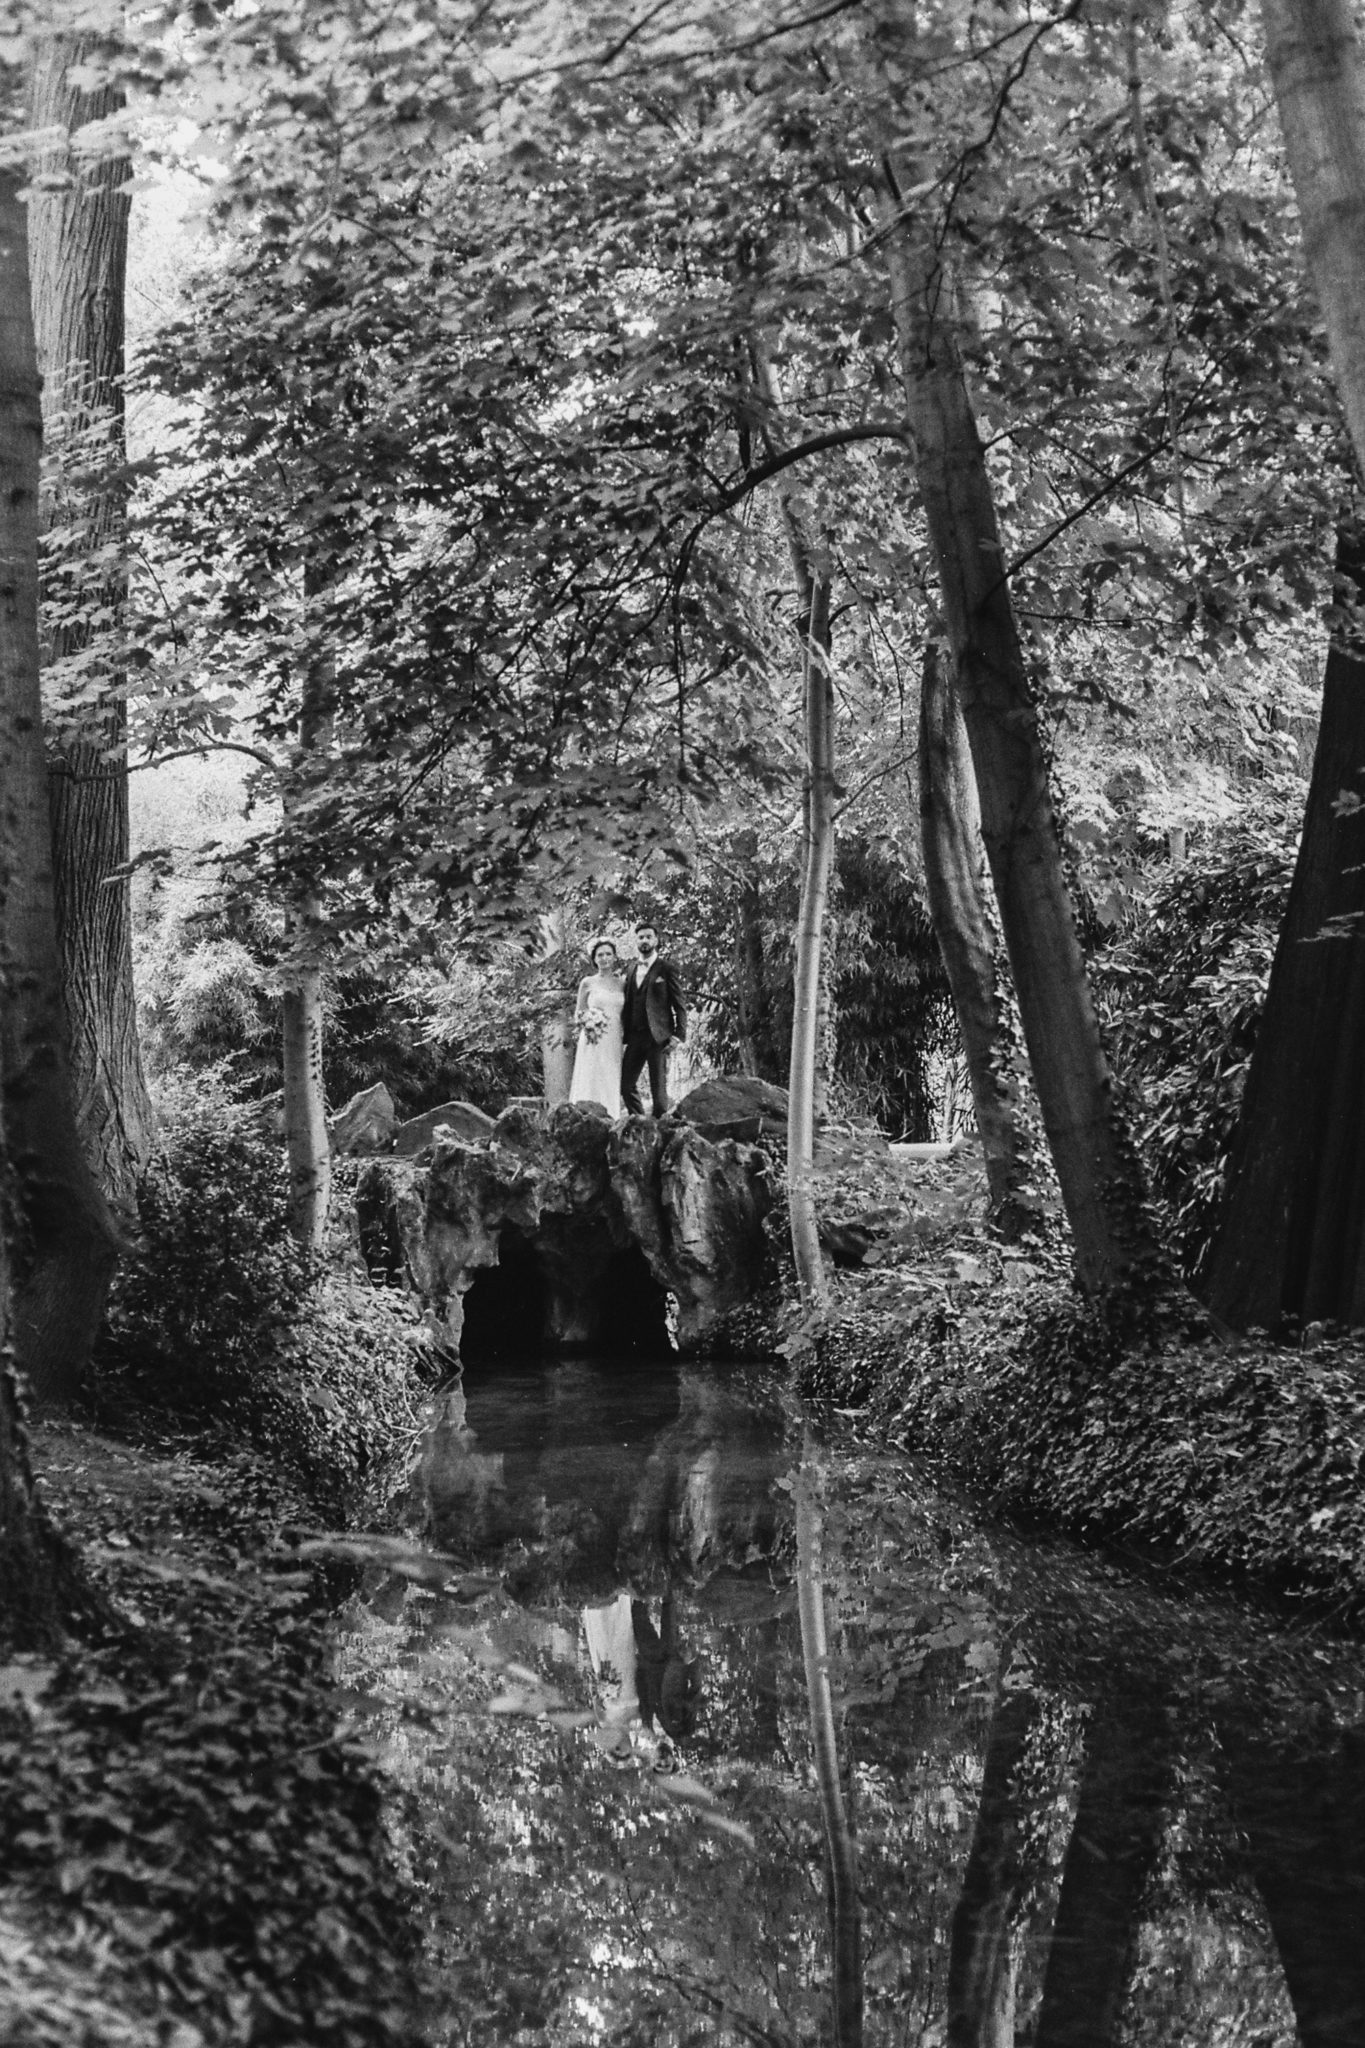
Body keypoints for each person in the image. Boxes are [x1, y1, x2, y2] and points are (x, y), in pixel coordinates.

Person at [620, 923, 687, 1118]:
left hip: (658, 1037)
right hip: (634, 1036)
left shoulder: (666, 968)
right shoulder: (631, 968)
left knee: (658, 1091)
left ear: (656, 940)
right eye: (641, 937)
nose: (644, 940)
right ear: (636, 941)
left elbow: (679, 1004)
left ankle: (661, 1129)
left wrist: (678, 1035)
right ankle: (640, 1123)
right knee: (626, 1085)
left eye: (648, 937)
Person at [569, 937, 625, 1115]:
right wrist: (590, 1020)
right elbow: (578, 1014)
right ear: (594, 959)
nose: (604, 958)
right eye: (600, 955)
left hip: (614, 1035)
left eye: (608, 954)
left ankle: (611, 1116)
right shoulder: (587, 982)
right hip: (593, 1037)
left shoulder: (622, 984)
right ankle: (585, 1114)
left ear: (614, 957)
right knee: (591, 1074)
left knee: (610, 1074)